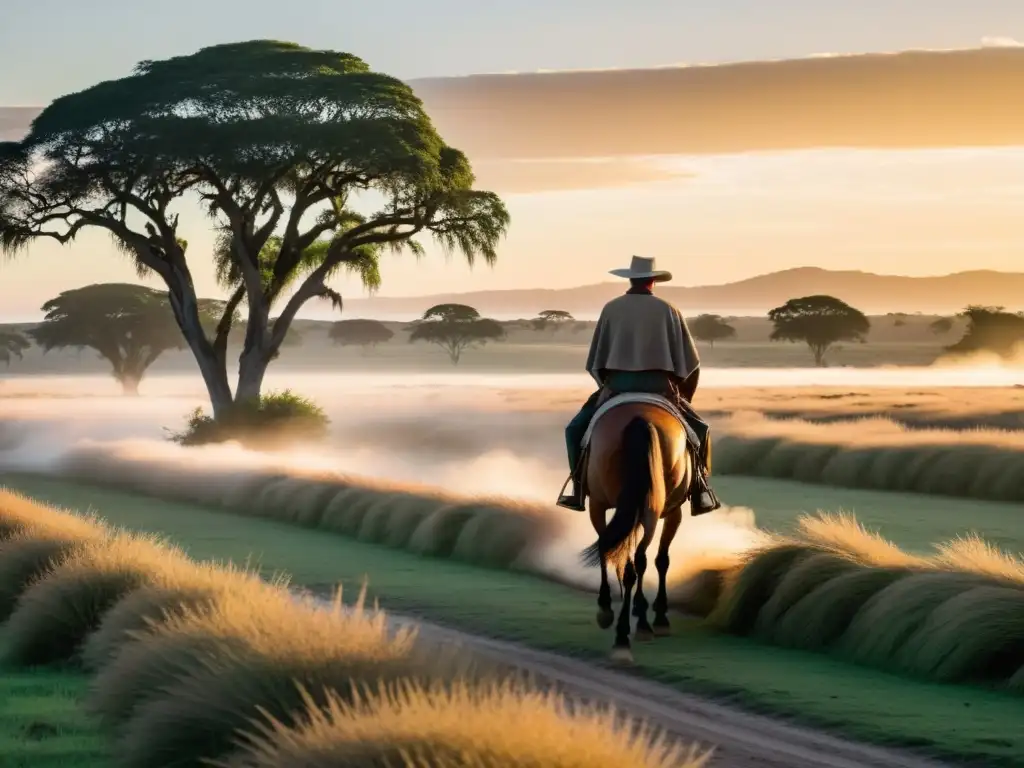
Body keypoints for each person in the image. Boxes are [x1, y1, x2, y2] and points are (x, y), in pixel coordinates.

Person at [556, 255, 721, 514]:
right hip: (660, 388)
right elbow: (691, 365)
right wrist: (684, 398)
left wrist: (605, 387)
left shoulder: (611, 308)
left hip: (617, 386)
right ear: (653, 281)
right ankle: (701, 491)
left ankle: (577, 489)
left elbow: (595, 363)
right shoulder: (670, 310)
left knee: (574, 430)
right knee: (701, 431)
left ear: (630, 278)